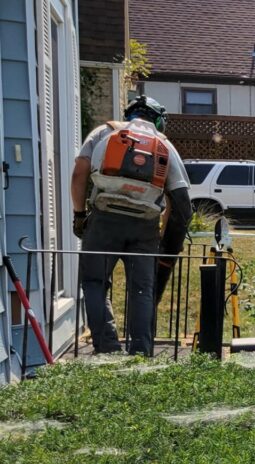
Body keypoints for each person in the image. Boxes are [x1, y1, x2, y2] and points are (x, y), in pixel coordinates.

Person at [71, 96, 192, 356]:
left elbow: (80, 172)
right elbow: (181, 200)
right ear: (158, 120)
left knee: (94, 282)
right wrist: (163, 236)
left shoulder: (104, 131)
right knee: (142, 289)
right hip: (145, 224)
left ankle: (108, 349)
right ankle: (140, 353)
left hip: (104, 219)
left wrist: (79, 215)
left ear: (129, 116)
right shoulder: (164, 144)